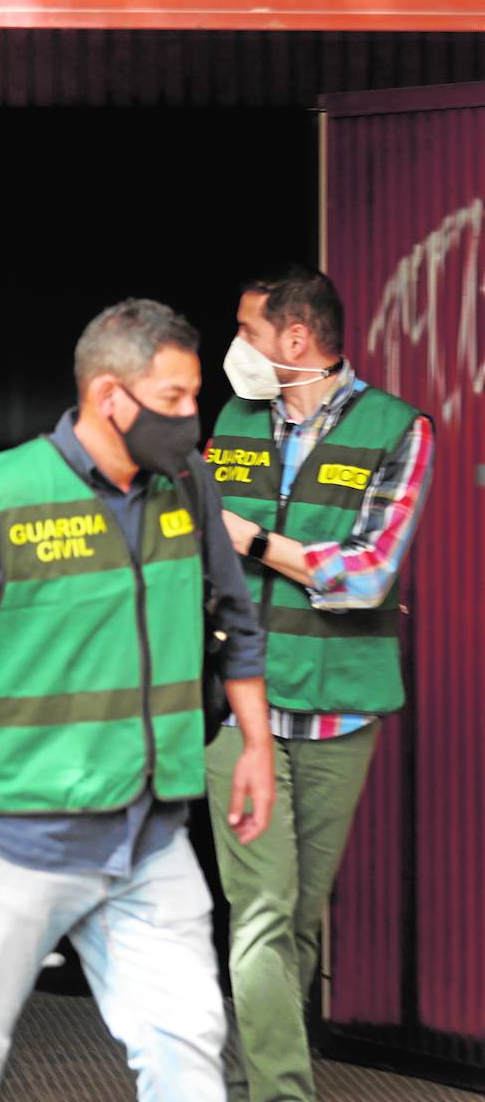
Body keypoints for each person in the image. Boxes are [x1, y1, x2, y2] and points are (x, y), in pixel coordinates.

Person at [0, 299, 278, 1102]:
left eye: (192, 396)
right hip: (18, 838)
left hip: (149, 834)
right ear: (110, 395)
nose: (191, 417)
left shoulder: (189, 485)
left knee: (189, 1048)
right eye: (173, 398)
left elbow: (236, 622)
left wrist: (255, 750)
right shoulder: (4, 494)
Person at [204, 266, 435, 1102]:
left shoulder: (399, 429)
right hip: (240, 707)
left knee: (296, 921)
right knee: (262, 914)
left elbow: (369, 573)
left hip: (340, 712)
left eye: (248, 330)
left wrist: (253, 540)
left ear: (294, 340)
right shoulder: (232, 419)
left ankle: (261, 1064)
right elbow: (191, 539)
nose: (236, 347)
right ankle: (282, 1093)